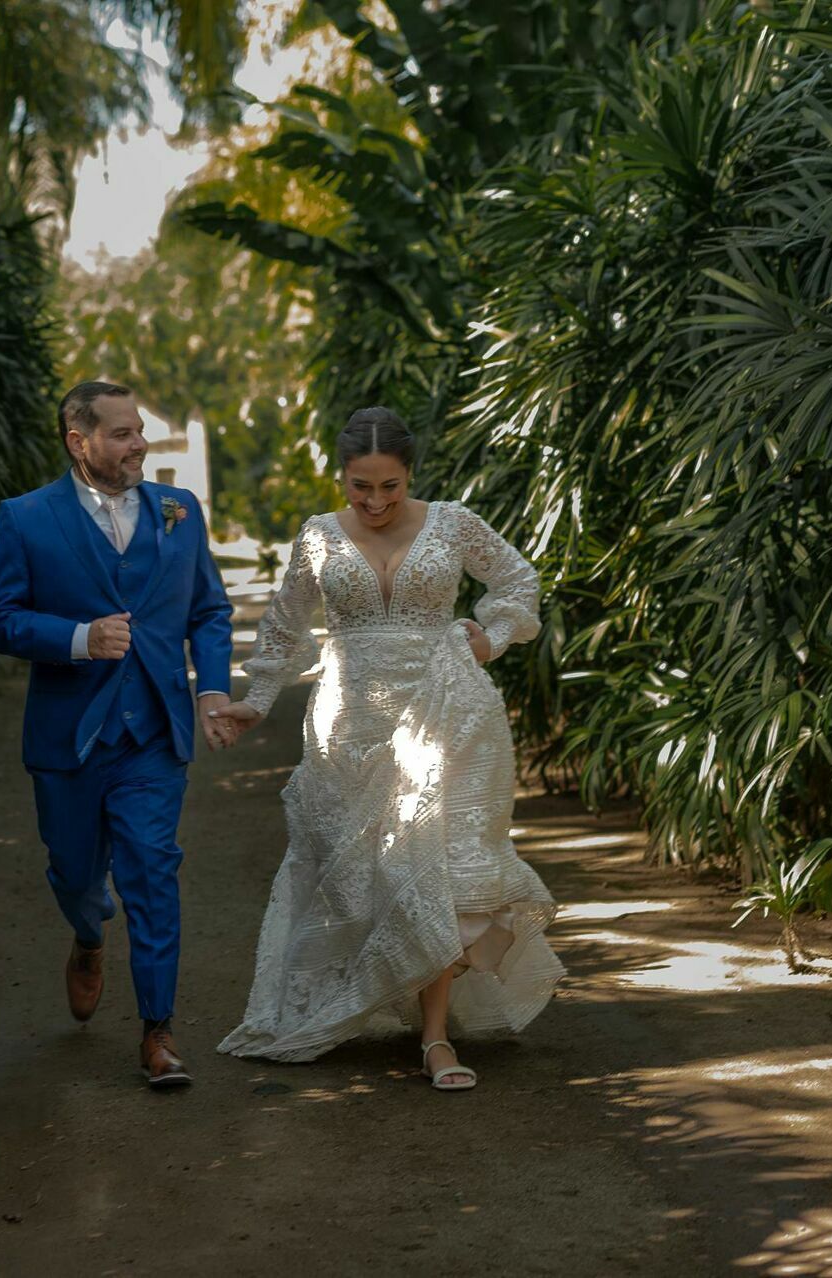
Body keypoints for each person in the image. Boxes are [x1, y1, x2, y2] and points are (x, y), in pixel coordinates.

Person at [210, 407, 563, 1089]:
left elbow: (519, 580)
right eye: (360, 487)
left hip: (448, 711)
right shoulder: (318, 536)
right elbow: (284, 626)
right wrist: (256, 702)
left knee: (444, 868)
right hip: (349, 725)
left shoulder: (454, 523)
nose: (374, 502)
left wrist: (490, 639)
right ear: (341, 477)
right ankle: (367, 1000)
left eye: (390, 487)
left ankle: (435, 1037)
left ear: (410, 475)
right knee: (362, 875)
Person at [0, 380, 238, 1089]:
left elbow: (209, 611)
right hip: (69, 736)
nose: (139, 445)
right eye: (122, 433)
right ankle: (89, 935)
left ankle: (158, 1032)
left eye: (139, 431)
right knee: (73, 873)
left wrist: (213, 688)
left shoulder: (179, 511)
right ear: (79, 441)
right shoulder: (26, 518)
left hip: (153, 731)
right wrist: (77, 637)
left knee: (152, 870)